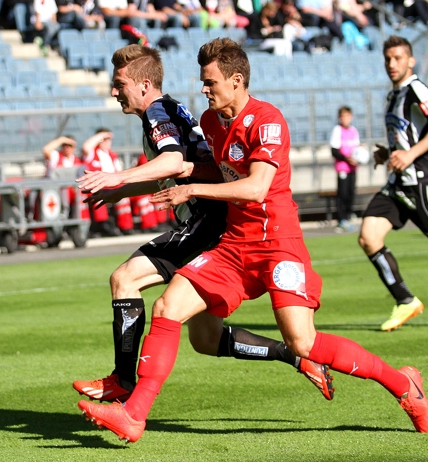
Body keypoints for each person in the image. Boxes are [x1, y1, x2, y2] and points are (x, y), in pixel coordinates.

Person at [78, 38, 428, 443]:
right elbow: (213, 170)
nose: (204, 90)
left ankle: (404, 385)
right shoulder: (212, 123)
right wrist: (183, 178)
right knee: (168, 306)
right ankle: (134, 415)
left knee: (302, 341)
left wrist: (192, 191)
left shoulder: (268, 119)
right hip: (233, 245)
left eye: (210, 82)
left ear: (237, 79)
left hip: (278, 243)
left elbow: (256, 188)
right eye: (201, 82)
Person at [73, 44, 334, 407]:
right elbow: (181, 167)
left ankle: (123, 382)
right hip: (213, 220)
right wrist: (127, 190)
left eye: (120, 84)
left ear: (144, 85)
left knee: (125, 278)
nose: (115, 92)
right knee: (206, 340)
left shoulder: (157, 113)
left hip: (206, 222)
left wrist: (116, 178)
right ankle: (297, 357)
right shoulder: (171, 109)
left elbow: (173, 162)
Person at [358, 36, 428, 332]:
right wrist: (387, 153)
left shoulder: (416, 88)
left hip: (422, 181)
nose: (392, 64)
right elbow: (406, 138)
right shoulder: (394, 95)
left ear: (410, 61)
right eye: (388, 58)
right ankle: (405, 300)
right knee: (368, 236)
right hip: (398, 183)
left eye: (398, 58)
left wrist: (410, 154)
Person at [330, 106, 360, 233]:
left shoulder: (354, 130)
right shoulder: (337, 130)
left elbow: (357, 149)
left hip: (353, 168)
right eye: (343, 116)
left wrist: (357, 158)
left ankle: (348, 217)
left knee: (351, 193)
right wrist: (347, 159)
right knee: (342, 194)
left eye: (347, 116)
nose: (345, 119)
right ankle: (341, 219)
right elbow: (334, 150)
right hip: (343, 168)